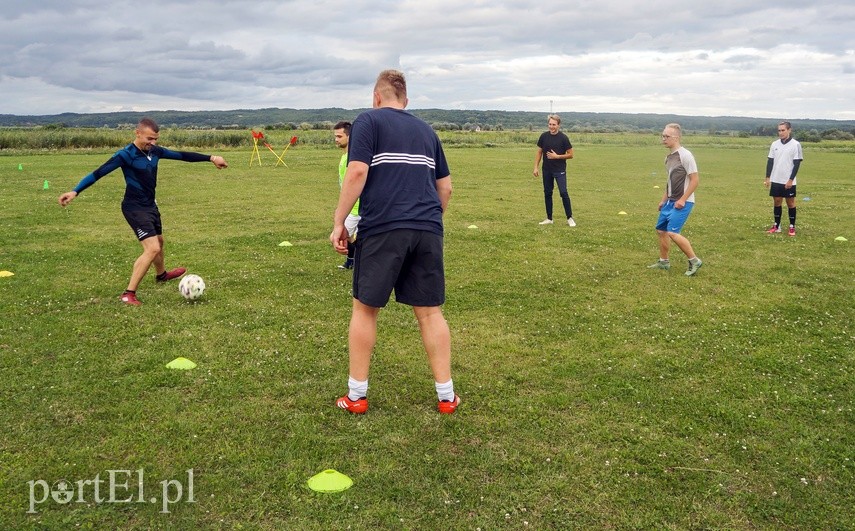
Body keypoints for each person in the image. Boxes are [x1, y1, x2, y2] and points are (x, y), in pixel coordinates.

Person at [330, 69, 458, 415]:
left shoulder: (368, 122)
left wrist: (339, 221)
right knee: (430, 313)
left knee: (365, 309)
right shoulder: (427, 130)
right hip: (428, 227)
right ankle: (447, 396)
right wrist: (430, 220)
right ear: (406, 101)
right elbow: (445, 187)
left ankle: (356, 396)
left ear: (376, 98)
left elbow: (357, 172)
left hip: (384, 226)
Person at [58, 117, 228, 305]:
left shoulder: (155, 152)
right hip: (134, 207)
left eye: (155, 139)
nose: (153, 143)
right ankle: (128, 293)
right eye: (149, 138)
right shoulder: (126, 155)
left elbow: (182, 155)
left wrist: (211, 158)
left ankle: (161, 275)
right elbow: (98, 173)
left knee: (160, 241)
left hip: (150, 206)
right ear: (137, 133)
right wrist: (75, 191)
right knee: (152, 247)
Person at [648, 123, 703, 276]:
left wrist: (683, 200)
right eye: (662, 136)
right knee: (661, 230)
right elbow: (670, 181)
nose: (663, 139)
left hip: (683, 202)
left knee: (672, 233)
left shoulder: (686, 155)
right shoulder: (668, 158)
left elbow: (695, 180)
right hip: (670, 201)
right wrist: (663, 200)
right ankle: (664, 262)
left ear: (677, 137)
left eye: (667, 136)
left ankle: (694, 260)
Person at [533, 114, 576, 226]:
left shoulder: (563, 138)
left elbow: (571, 155)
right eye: (550, 124)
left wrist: (557, 157)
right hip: (547, 170)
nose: (551, 126)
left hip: (559, 170)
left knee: (563, 192)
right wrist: (536, 167)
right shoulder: (543, 136)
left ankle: (570, 218)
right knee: (547, 193)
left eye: (554, 124)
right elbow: (539, 152)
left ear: (558, 125)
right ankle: (549, 218)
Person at [764, 121, 803, 236]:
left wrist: (791, 179)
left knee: (790, 203)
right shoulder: (774, 144)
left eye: (783, 130)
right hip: (776, 179)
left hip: (788, 180)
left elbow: (797, 164)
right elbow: (770, 161)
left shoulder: (795, 144)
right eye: (779, 130)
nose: (780, 132)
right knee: (777, 202)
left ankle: (792, 226)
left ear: (789, 130)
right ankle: (777, 226)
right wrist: (767, 177)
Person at [333, 121, 360, 269]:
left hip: (357, 207)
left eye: (339, 136)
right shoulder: (345, 156)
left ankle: (358, 262)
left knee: (340, 237)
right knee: (348, 236)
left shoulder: (354, 157)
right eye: (335, 136)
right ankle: (352, 261)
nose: (336, 139)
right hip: (350, 207)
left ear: (350, 137)